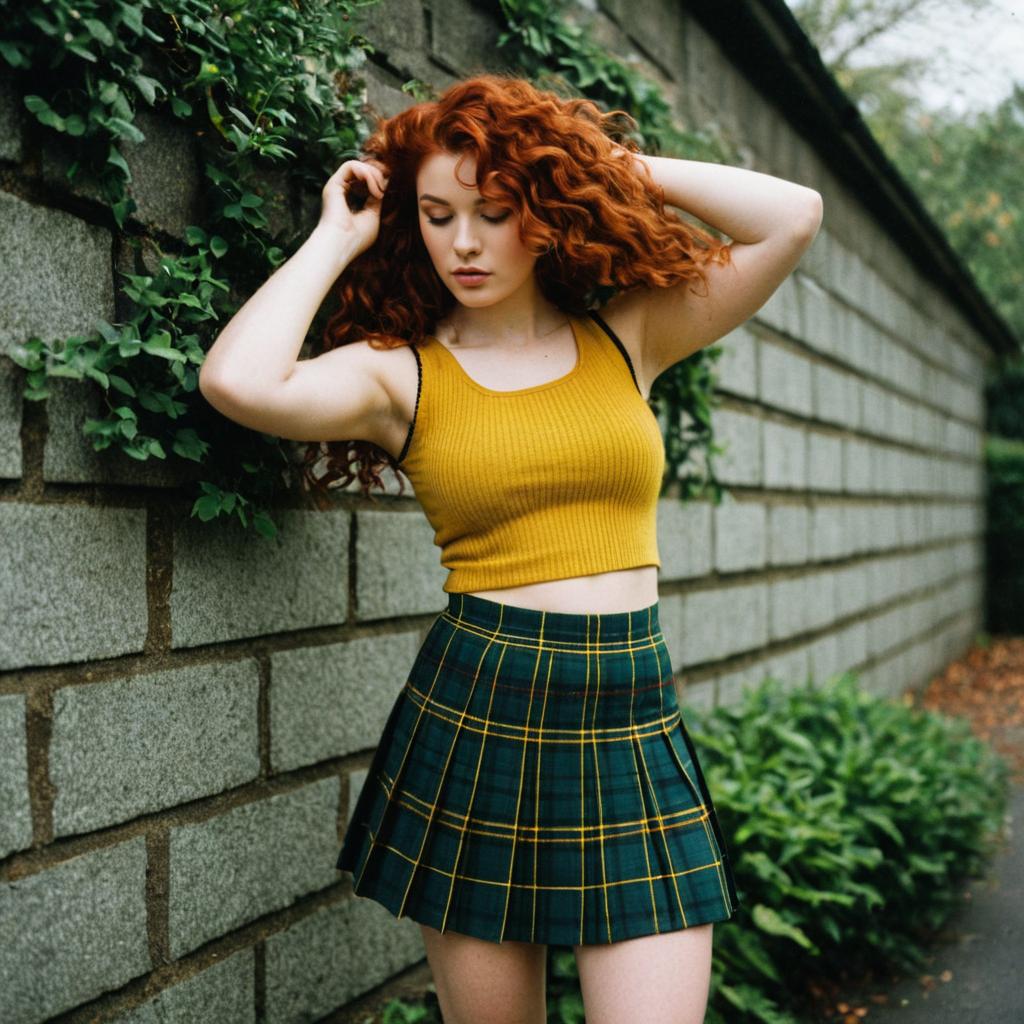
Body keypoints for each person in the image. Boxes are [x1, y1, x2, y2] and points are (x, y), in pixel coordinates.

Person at [199, 73, 822, 1024]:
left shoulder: (630, 338)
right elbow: (240, 381)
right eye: (438, 213)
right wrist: (338, 234)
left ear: (538, 209)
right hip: (481, 711)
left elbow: (793, 216)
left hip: (629, 710)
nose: (463, 242)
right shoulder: (397, 374)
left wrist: (598, 163)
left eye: (493, 211)